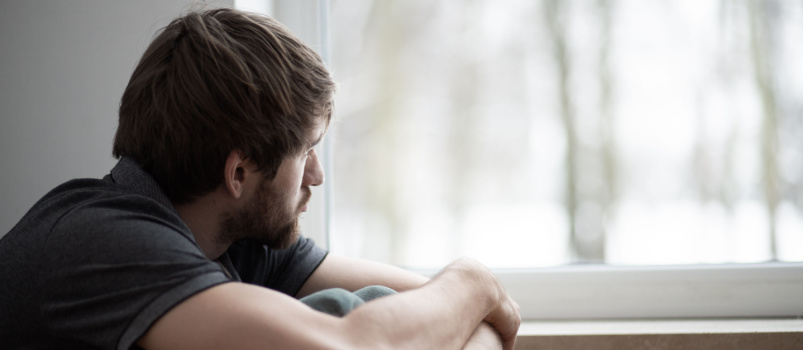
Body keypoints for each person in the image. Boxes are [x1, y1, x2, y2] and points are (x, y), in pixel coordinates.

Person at [0, 7, 519, 350]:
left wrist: (470, 301)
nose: (317, 175)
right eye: (307, 152)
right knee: (341, 315)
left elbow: (449, 310)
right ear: (239, 172)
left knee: (372, 303)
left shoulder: (231, 237)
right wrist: (474, 277)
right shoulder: (103, 241)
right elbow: (359, 346)